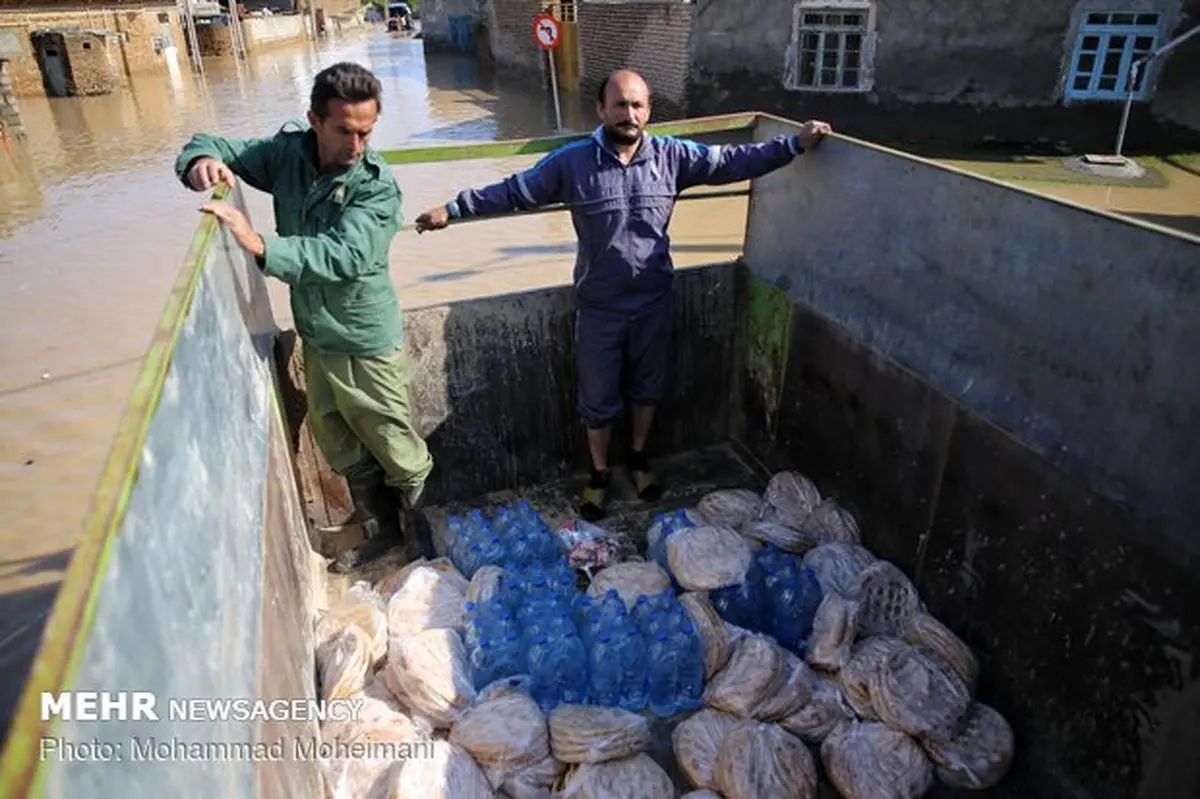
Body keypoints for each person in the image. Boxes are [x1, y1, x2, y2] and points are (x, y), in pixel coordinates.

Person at [415, 68, 832, 521]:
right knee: (598, 400)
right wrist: (453, 208)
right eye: (619, 104)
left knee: (647, 389)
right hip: (599, 307)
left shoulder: (673, 156)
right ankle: (598, 474)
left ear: (649, 111)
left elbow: (732, 160)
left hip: (654, 300)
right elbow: (517, 190)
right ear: (601, 110)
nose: (629, 114)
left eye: (637, 105)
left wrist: (793, 145)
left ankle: (637, 458)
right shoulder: (572, 162)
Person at [173, 61, 436, 572]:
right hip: (318, 335)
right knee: (337, 438)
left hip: (362, 337)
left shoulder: (377, 188)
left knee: (394, 441)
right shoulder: (287, 156)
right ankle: (382, 534)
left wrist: (260, 245)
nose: (356, 146)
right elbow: (216, 144)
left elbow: (346, 256)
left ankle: (422, 541)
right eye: (344, 131)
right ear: (313, 120)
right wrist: (201, 161)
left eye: (366, 131)